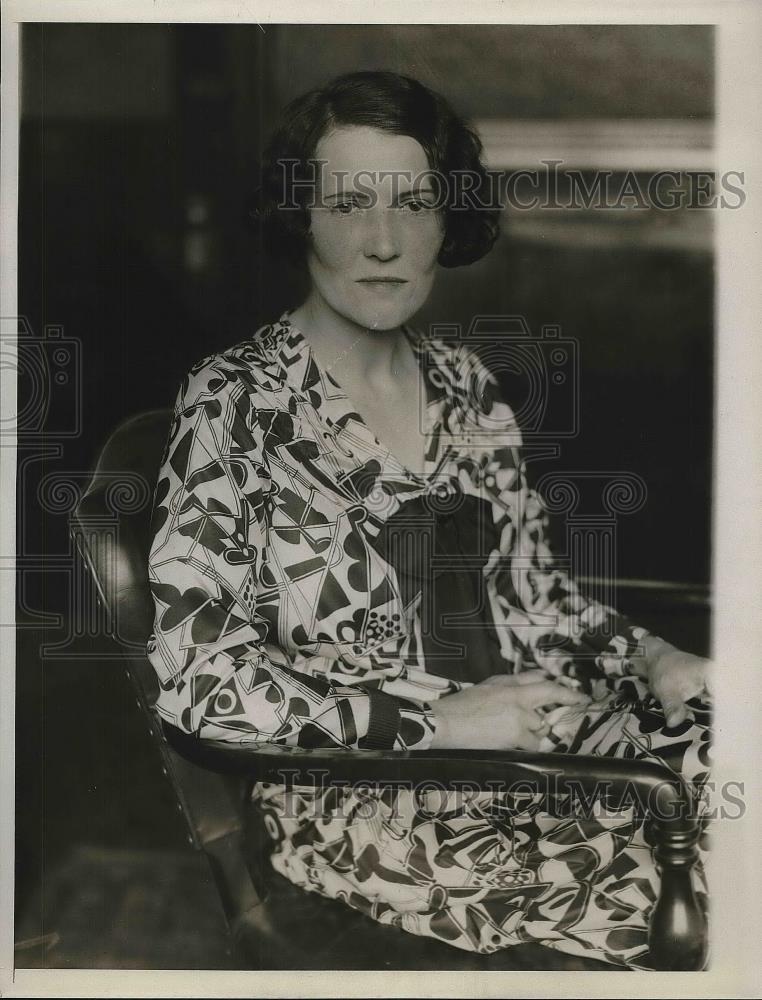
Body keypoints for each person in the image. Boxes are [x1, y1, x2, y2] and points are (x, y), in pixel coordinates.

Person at [146, 71, 712, 968]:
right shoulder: (236, 402)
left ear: (449, 220)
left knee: (730, 767)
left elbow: (539, 603)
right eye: (346, 205)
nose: (381, 242)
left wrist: (655, 657)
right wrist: (440, 721)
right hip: (368, 800)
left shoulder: (467, 385)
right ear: (301, 217)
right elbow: (204, 685)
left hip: (542, 744)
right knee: (683, 878)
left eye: (413, 204)